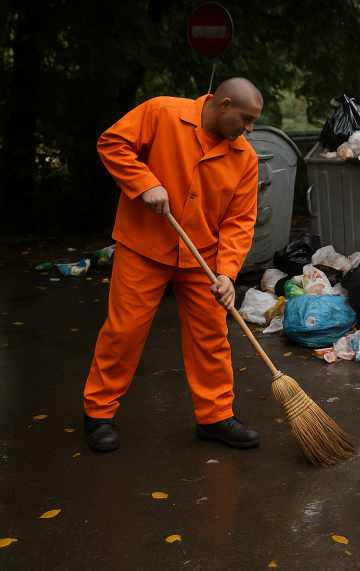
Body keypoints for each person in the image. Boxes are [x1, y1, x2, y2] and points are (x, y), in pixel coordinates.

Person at [83, 78, 264, 450]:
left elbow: (239, 221)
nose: (249, 130)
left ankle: (216, 418)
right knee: (124, 331)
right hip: (143, 247)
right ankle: (98, 413)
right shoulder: (162, 112)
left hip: (203, 260)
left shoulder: (244, 157)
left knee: (212, 338)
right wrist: (143, 182)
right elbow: (112, 142)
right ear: (224, 104)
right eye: (246, 119)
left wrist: (228, 273)